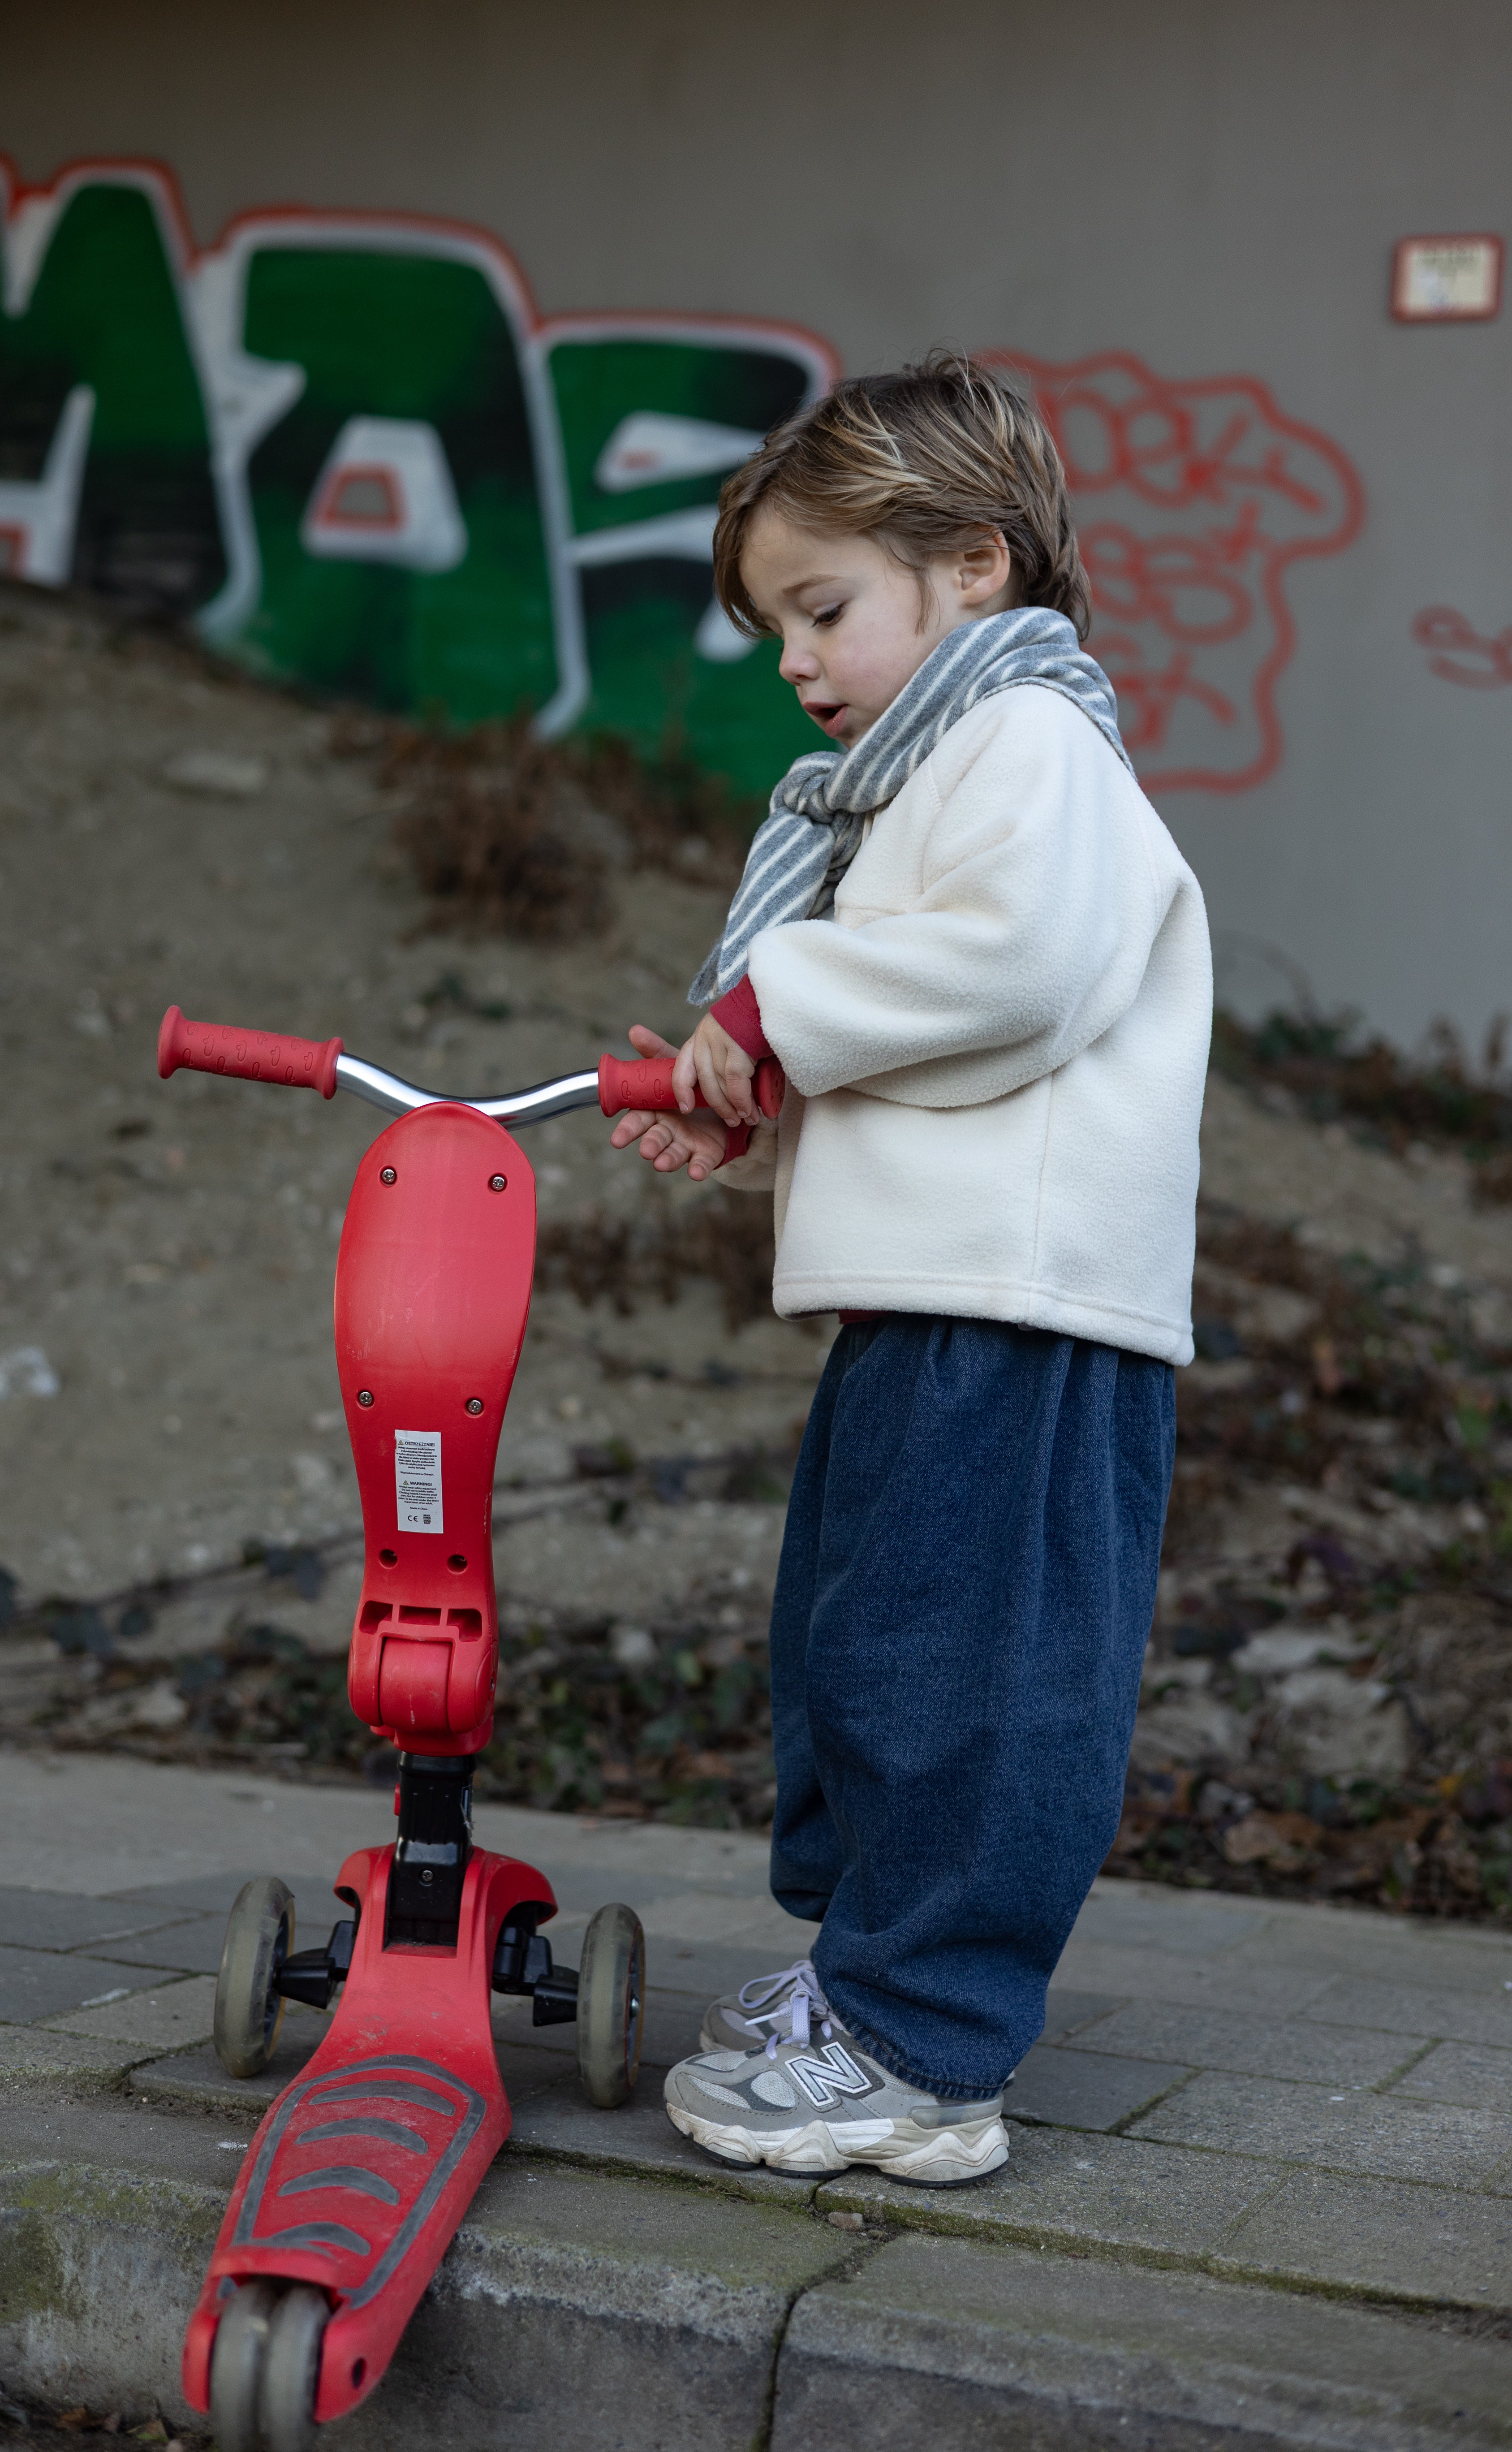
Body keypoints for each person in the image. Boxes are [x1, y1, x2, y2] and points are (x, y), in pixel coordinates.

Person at [607, 352, 1211, 2186]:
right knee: (866, 1640)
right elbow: (943, 1026)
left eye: (824, 607)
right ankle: (870, 1972)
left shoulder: (1031, 741)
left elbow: (1012, 969)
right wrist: (763, 1083)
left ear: (972, 565)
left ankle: (923, 2054)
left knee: (973, 1668)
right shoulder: (935, 767)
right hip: (942, 1296)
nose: (794, 660)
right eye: (774, 624)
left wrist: (776, 1005)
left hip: (1021, 1311)